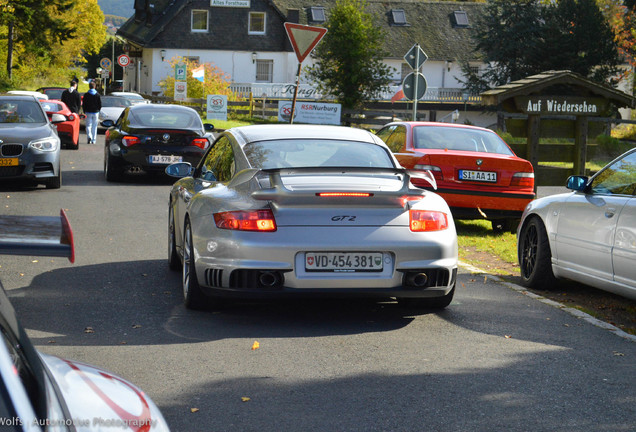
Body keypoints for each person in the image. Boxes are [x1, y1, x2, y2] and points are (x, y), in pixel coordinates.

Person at [82, 80, 102, 144]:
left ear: (89, 87)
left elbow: (84, 104)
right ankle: (94, 140)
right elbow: (100, 104)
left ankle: (89, 136)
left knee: (88, 126)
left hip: (88, 112)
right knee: (94, 126)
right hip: (96, 112)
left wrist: (84, 110)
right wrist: (98, 110)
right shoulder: (97, 95)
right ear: (95, 87)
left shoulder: (86, 95)